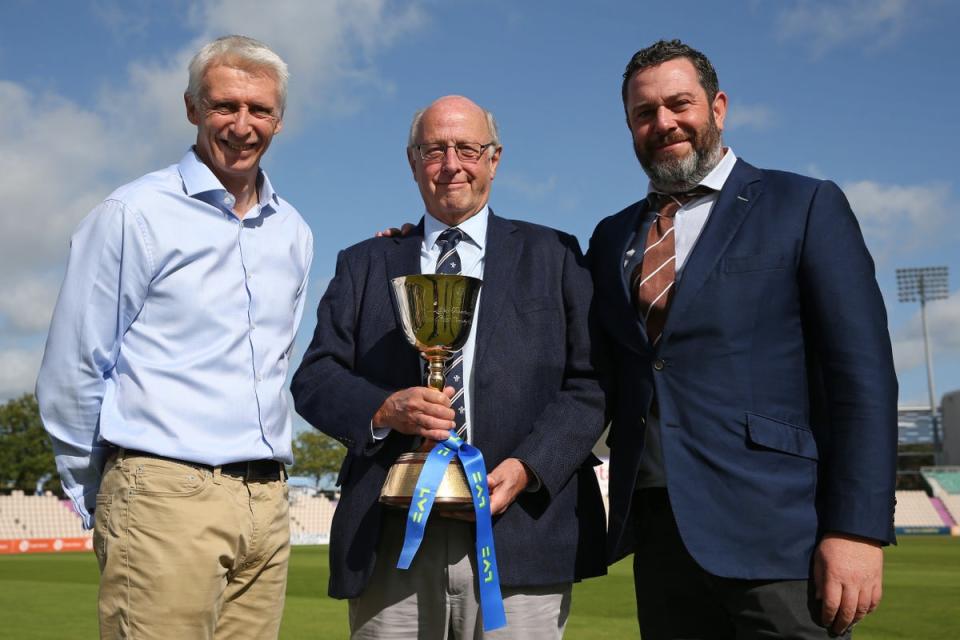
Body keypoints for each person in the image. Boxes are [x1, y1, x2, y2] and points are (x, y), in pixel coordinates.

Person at [589, 40, 898, 639]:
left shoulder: (804, 205)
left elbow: (861, 377)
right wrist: (413, 250)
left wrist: (856, 530)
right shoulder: (610, 238)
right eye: (644, 113)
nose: (664, 123)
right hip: (659, 535)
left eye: (680, 104)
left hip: (780, 534)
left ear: (719, 106)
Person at [291, 95, 606, 639]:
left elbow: (591, 384)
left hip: (521, 535)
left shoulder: (556, 255)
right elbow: (315, 377)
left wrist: (529, 467)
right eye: (434, 150)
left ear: (494, 158)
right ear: (413, 162)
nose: (451, 164)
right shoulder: (365, 263)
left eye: (467, 148)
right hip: (391, 538)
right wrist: (384, 408)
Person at [36, 35, 313, 639]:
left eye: (259, 110)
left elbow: (277, 360)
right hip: (163, 492)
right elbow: (74, 367)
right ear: (192, 108)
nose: (242, 125)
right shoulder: (134, 214)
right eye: (224, 106)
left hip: (267, 499)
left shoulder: (293, 230)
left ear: (279, 120)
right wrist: (104, 492)